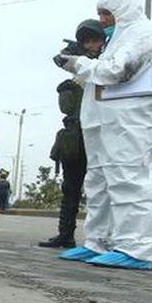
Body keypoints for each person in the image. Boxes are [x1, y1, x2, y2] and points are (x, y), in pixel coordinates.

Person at [54, 0, 152, 270]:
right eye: (100, 14)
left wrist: (79, 64)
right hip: (108, 120)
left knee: (128, 179)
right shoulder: (120, 38)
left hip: (135, 121)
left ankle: (135, 247)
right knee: (99, 183)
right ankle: (99, 241)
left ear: (123, 11)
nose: (103, 20)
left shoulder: (146, 34)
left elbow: (118, 71)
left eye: (107, 13)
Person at [39, 20, 105, 248]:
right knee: (70, 187)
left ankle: (102, 239)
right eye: (86, 41)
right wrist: (78, 55)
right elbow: (60, 58)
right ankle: (65, 234)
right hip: (76, 133)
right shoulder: (78, 64)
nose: (90, 45)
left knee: (103, 188)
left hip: (102, 132)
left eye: (94, 40)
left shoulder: (109, 63)